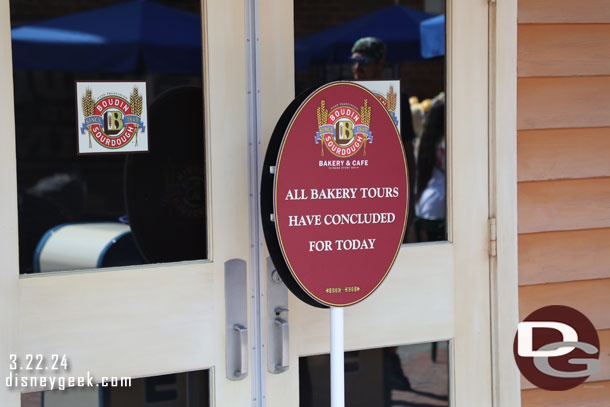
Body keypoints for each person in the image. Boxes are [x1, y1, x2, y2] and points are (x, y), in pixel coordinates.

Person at [349, 37, 417, 241]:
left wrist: (409, 198)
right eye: (354, 61)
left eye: (365, 62)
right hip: (353, 192)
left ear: (380, 64)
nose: (358, 67)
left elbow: (406, 151)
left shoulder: (395, 99)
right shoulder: (345, 95)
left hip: (386, 192)